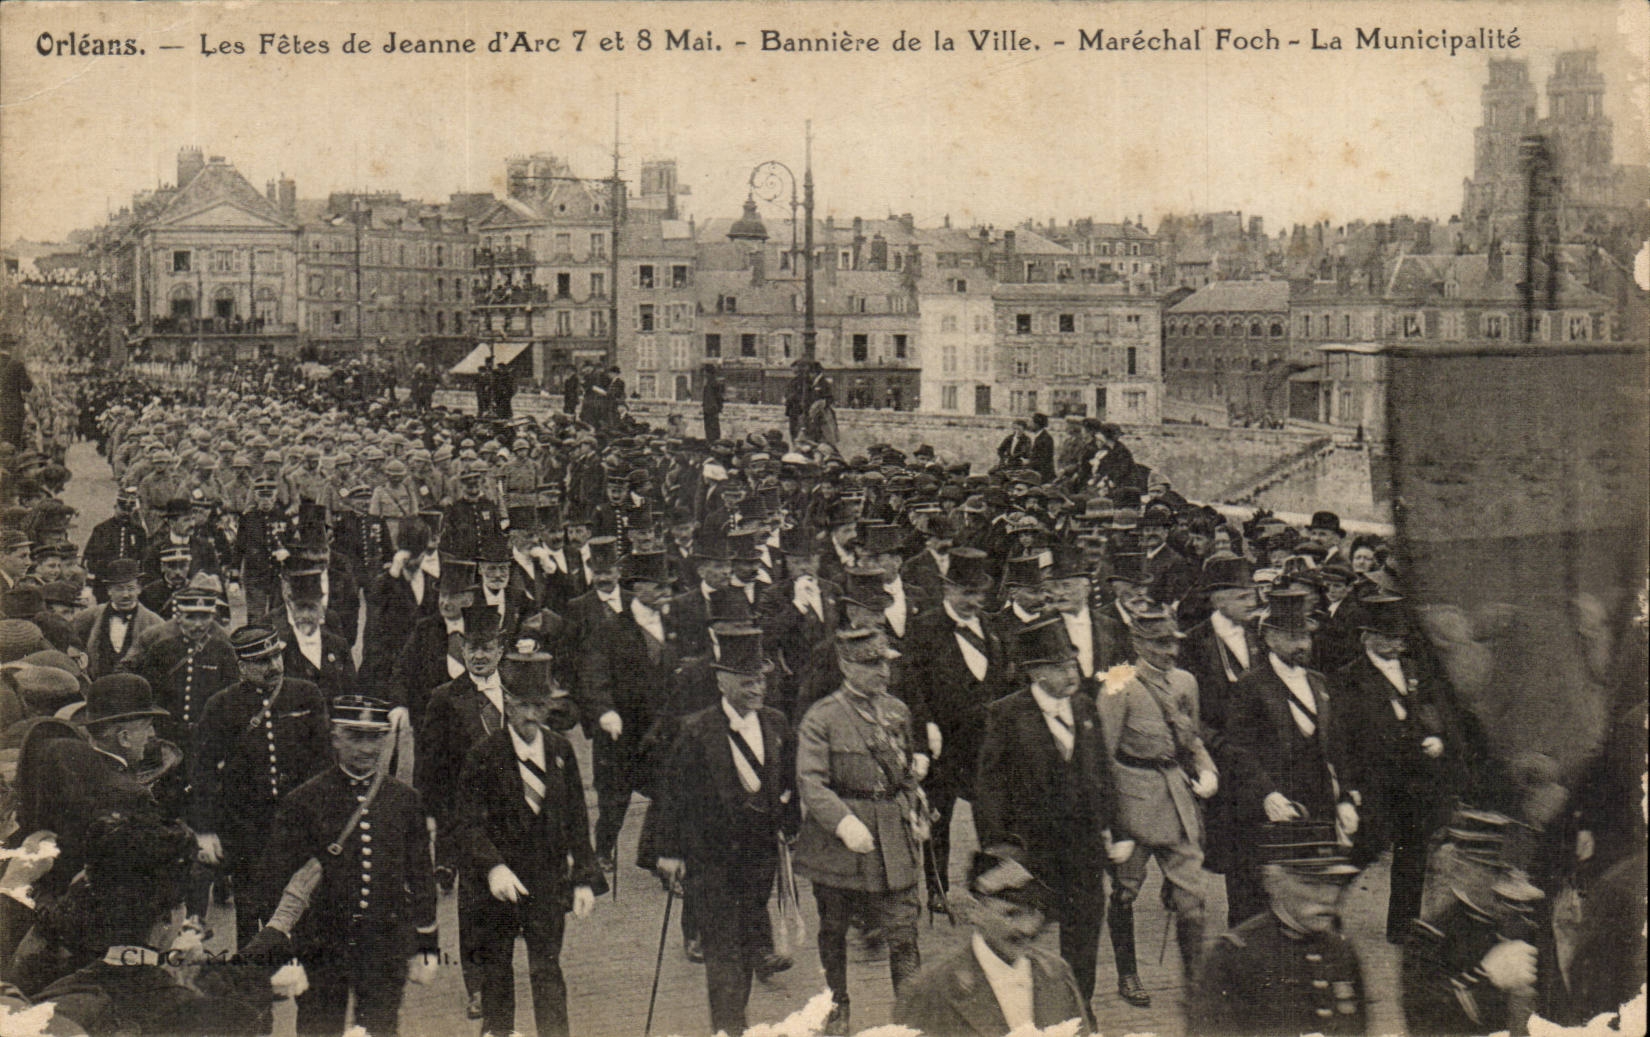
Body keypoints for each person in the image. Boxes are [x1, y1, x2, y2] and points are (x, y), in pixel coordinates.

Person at [646, 626, 799, 1036]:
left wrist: (790, 827)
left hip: (759, 859)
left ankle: (736, 1023)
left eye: (762, 679)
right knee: (723, 953)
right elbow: (670, 796)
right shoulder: (696, 730)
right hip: (709, 860)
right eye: (747, 681)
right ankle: (728, 1030)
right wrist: (669, 852)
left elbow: (788, 785)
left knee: (746, 950)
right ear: (721, 681)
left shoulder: (777, 724)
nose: (757, 688)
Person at [259, 696, 440, 1037]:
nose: (366, 748)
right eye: (355, 737)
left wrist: (426, 944)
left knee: (382, 1029)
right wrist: (285, 954)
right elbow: (275, 880)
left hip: (384, 945)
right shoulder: (304, 801)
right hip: (322, 946)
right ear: (335, 738)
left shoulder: (404, 800)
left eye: (375, 737)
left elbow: (420, 876)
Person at [973, 615, 1127, 1007]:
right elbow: (989, 790)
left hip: (1084, 851)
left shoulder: (1084, 707)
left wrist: (1116, 828)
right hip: (1033, 852)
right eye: (1059, 666)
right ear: (1035, 672)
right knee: (1027, 940)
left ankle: (1080, 1010)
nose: (1070, 673)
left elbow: (1103, 773)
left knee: (1084, 939)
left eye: (1071, 663)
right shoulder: (1006, 715)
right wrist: (999, 853)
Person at [453, 640, 602, 1037]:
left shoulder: (560, 751)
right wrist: (493, 866)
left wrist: (585, 876)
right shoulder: (485, 755)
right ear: (507, 702)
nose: (530, 716)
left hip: (547, 881)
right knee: (498, 973)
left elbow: (575, 819)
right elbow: (467, 824)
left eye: (539, 706)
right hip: (496, 887)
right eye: (521, 705)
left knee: (547, 970)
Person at [793, 626, 928, 1036]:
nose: (882, 672)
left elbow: (903, 774)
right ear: (845, 665)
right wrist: (843, 822)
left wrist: (916, 804)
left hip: (892, 834)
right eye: (871, 664)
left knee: (903, 931)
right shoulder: (823, 717)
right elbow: (811, 782)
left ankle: (910, 1010)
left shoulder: (896, 711)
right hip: (841, 843)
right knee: (834, 927)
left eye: (885, 663)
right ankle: (837, 1004)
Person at [1095, 604, 1219, 1005]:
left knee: (1192, 895)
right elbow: (1103, 755)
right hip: (1134, 802)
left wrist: (1206, 769)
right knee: (1126, 891)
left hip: (1177, 797)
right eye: (1160, 644)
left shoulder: (1185, 682)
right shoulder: (1118, 683)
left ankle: (1196, 980)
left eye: (1173, 643)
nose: (1171, 652)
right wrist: (1113, 819)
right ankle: (1129, 976)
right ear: (1137, 643)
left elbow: (1192, 738)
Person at [1331, 594, 1472, 942]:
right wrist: (1350, 788)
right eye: (1387, 637)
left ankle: (1403, 927)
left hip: (1416, 781)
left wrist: (1438, 739)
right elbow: (1343, 737)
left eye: (1399, 638)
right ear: (1367, 637)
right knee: (1364, 849)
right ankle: (1327, 911)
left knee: (1412, 854)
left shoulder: (1414, 670)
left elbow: (1437, 713)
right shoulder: (1348, 678)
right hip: (1376, 780)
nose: (1395, 644)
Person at [1217, 587, 1361, 928]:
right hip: (1270, 808)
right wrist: (1267, 794)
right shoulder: (1251, 686)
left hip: (1317, 808)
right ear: (1269, 637)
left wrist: (1344, 799)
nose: (1303, 644)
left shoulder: (1319, 682)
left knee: (1315, 897)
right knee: (1260, 904)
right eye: (1293, 636)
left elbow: (1337, 745)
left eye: (1306, 635)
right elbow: (1238, 750)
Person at [189, 624, 332, 945]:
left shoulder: (306, 694)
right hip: (244, 826)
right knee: (250, 905)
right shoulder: (220, 706)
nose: (274, 667)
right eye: (262, 662)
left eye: (276, 657)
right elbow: (203, 772)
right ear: (242, 667)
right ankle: (252, 974)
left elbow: (324, 761)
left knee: (298, 899)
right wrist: (206, 829)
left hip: (296, 821)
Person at [1189, 820, 1369, 1036]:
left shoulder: (1341, 951)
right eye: (1311, 883)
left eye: (1334, 883)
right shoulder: (1236, 956)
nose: (1328, 896)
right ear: (1273, 882)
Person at [894, 844, 1095, 1037]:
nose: (1027, 928)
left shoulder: (1056, 974)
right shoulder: (931, 990)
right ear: (975, 910)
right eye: (1010, 914)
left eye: (1033, 913)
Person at [70, 560, 164, 680]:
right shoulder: (86, 618)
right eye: (119, 589)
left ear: (139, 589)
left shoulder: (155, 623)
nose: (126, 595)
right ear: (109, 590)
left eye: (130, 588)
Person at [701, 363, 725, 444]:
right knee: (710, 428)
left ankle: (713, 443)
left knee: (712, 428)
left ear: (708, 372)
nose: (704, 374)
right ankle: (712, 442)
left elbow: (719, 397)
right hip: (709, 409)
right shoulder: (709, 382)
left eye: (705, 372)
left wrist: (718, 407)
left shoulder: (713, 383)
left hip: (711, 409)